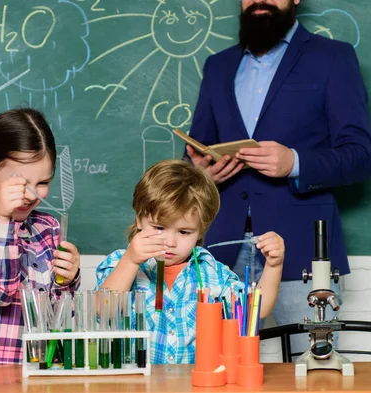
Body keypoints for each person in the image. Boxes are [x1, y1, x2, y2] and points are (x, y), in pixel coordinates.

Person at [186, 0, 371, 353]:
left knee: (312, 370)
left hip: (303, 252)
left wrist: (296, 162)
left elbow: (361, 156)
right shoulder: (218, 66)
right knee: (215, 366)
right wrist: (200, 171)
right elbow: (197, 150)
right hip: (220, 248)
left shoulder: (333, 58)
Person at [95, 160, 284, 364]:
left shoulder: (210, 271)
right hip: (135, 383)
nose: (170, 242)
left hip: (194, 382)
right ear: (139, 219)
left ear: (200, 231)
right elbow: (102, 310)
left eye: (184, 232)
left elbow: (257, 309)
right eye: (159, 227)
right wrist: (131, 261)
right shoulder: (120, 262)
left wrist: (273, 265)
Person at [0, 108, 81, 364]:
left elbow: (64, 316)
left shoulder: (48, 226)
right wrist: (1, 218)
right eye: (20, 181)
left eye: (42, 183)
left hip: (40, 370)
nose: (31, 194)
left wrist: (68, 279)